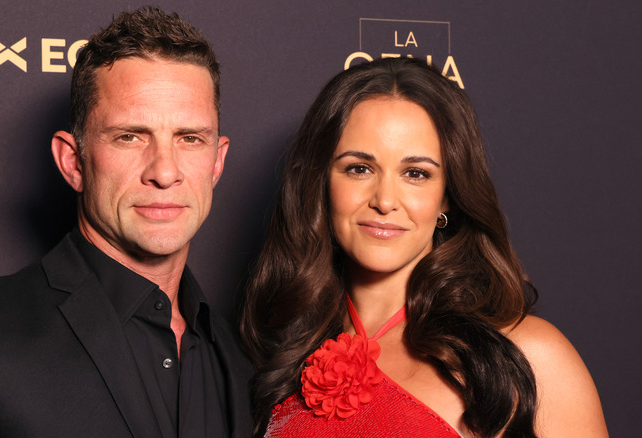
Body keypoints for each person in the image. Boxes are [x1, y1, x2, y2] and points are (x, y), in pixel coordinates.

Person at [0, 7, 251, 438]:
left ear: (217, 163)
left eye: (190, 139)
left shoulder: (241, 359)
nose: (164, 171)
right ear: (73, 161)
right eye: (130, 136)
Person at [241, 57, 607, 437]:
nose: (384, 200)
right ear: (321, 182)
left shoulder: (529, 357)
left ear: (447, 197)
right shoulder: (281, 354)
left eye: (416, 174)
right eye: (359, 168)